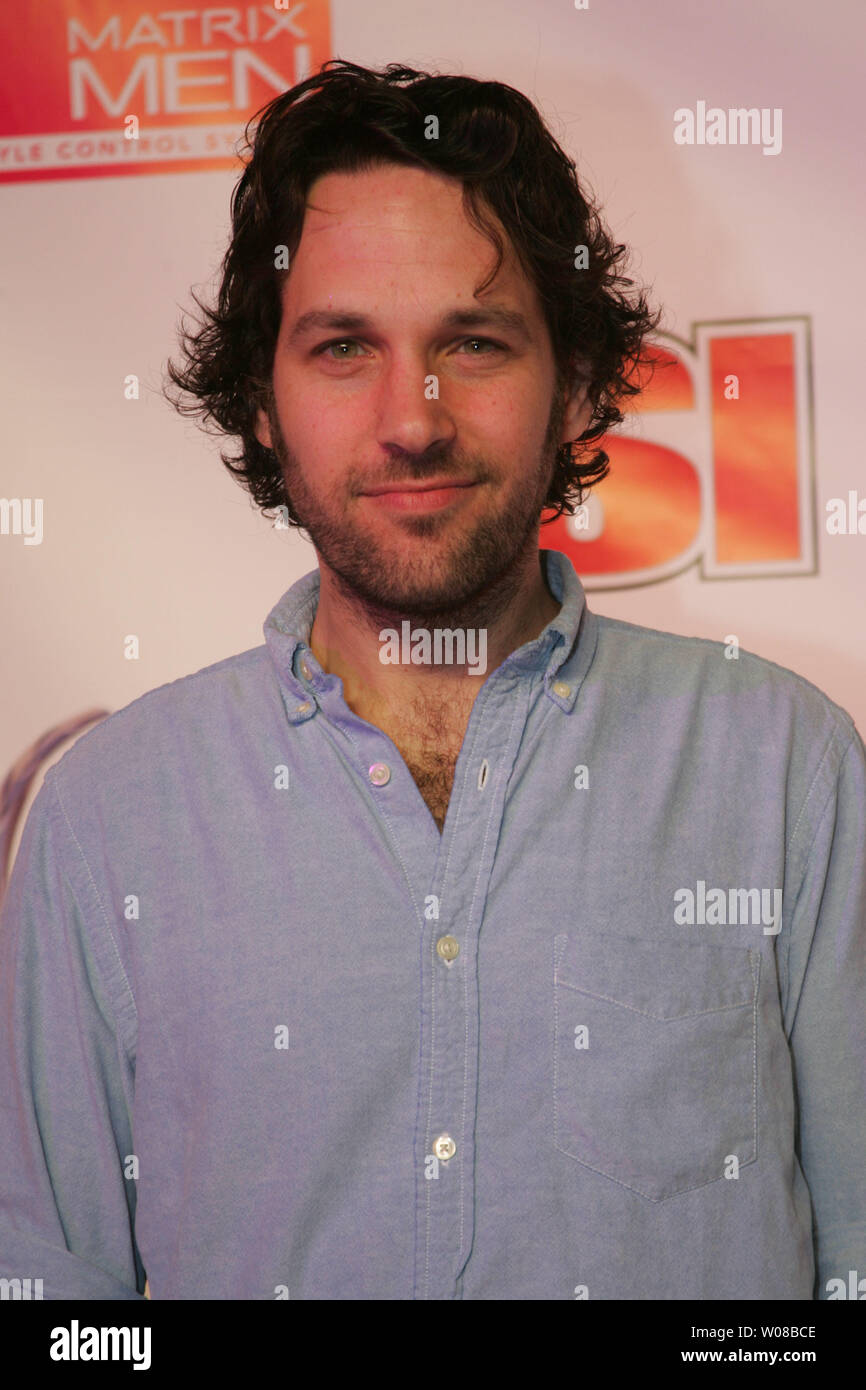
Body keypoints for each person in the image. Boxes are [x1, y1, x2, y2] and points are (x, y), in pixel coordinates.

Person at [1, 59, 863, 1302]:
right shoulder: (106, 822)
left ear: (574, 384)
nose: (412, 419)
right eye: (344, 346)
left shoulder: (784, 770)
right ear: (262, 400)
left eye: (472, 341)